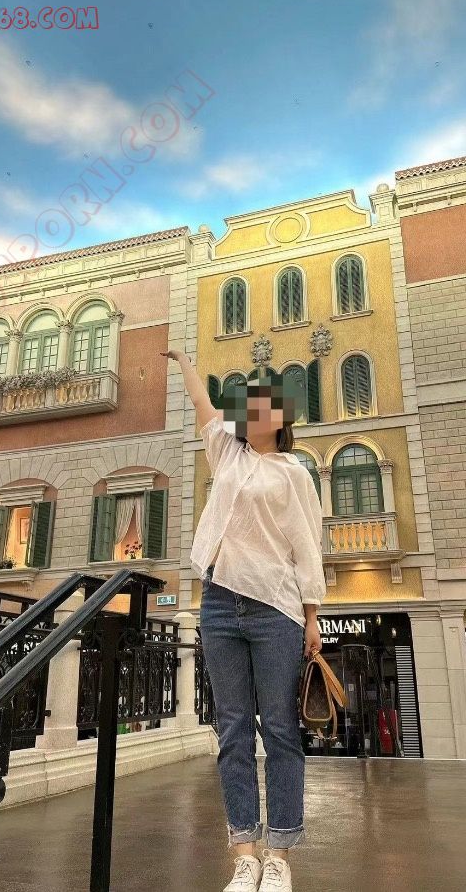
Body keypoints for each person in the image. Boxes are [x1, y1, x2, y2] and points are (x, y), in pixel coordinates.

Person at [160, 350, 326, 892]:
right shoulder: (226, 453)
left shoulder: (294, 473)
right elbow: (203, 406)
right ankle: (244, 855)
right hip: (218, 601)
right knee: (231, 730)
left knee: (279, 729)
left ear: (280, 418)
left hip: (275, 606)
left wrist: (312, 616)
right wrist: (185, 362)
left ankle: (280, 854)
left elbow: (308, 545)